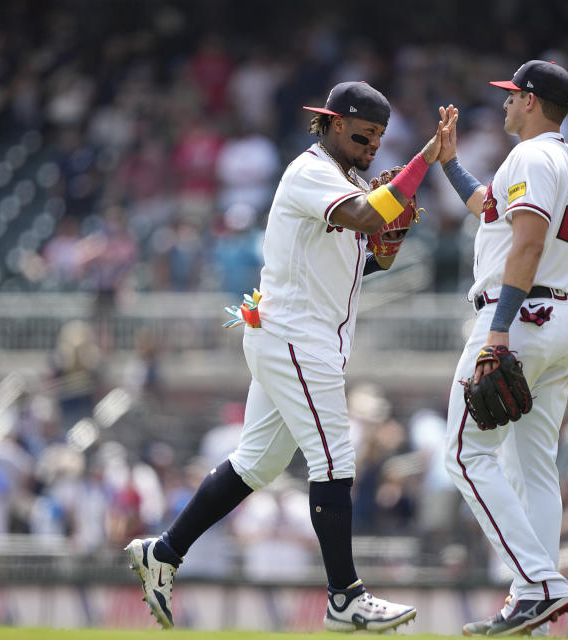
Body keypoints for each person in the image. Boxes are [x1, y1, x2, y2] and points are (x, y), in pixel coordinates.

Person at [125, 81, 455, 633]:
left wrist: (387, 248)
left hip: (298, 335)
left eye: (378, 137)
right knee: (334, 460)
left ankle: (164, 552)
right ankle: (345, 596)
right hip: (296, 337)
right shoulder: (311, 171)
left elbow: (362, 257)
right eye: (361, 132)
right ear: (328, 122)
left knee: (256, 463)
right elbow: (369, 217)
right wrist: (424, 160)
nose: (371, 145)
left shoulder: (344, 180)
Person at [437, 60, 568, 636]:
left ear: (530, 100)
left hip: (519, 314)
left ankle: (538, 584)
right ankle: (538, 611)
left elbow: (525, 243)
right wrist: (449, 165)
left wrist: (499, 329)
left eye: (509, 95)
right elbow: (492, 211)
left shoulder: (531, 156)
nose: (503, 103)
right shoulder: (566, 159)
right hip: (561, 316)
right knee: (533, 467)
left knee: (464, 454)